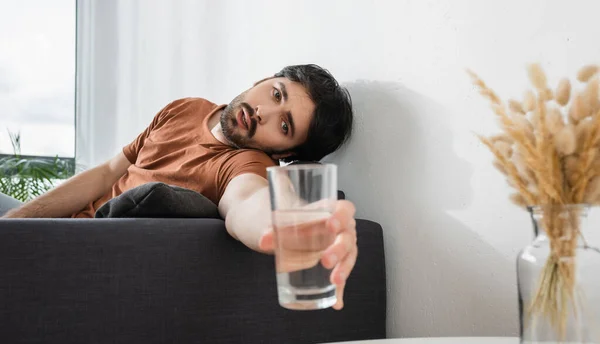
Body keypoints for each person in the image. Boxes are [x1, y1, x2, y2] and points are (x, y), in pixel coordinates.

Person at [1, 64, 357, 309]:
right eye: (276, 94)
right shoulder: (185, 108)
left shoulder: (246, 164)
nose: (265, 113)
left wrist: (298, 225)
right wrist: (17, 222)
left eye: (284, 127)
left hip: (67, 252)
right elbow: (108, 171)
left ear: (286, 153)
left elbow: (248, 201)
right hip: (44, 227)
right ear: (265, 79)